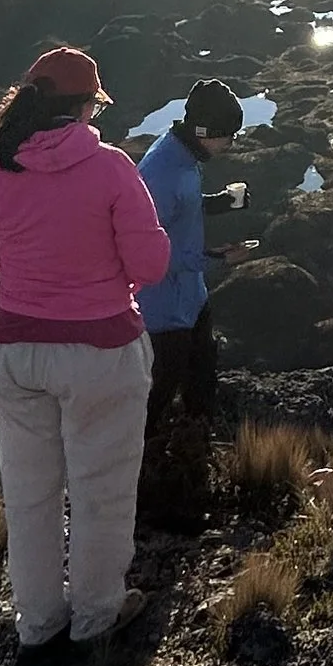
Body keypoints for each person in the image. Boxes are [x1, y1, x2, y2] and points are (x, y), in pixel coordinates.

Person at [0, 44, 172, 647]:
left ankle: (40, 622)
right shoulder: (110, 168)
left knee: (29, 494)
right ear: (84, 106)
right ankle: (98, 613)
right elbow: (150, 266)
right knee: (100, 486)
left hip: (16, 348)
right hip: (102, 349)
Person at [136, 81, 259, 474]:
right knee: (157, 394)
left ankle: (195, 459)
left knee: (202, 380)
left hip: (192, 298)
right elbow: (149, 253)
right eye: (228, 136)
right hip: (163, 311)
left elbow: (182, 211)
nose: (231, 144)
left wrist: (220, 204)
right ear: (205, 132)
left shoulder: (183, 156)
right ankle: (138, 476)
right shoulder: (161, 172)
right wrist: (218, 259)